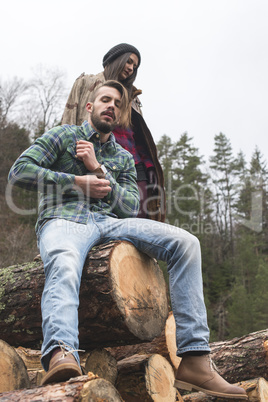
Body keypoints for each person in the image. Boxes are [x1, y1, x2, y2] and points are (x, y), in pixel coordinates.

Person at [8, 81, 247, 399]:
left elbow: (130, 206)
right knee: (64, 262)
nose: (111, 105)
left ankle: (195, 361)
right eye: (105, 99)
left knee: (186, 243)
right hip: (64, 221)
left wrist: (98, 168)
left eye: (117, 104)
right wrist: (76, 181)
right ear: (90, 107)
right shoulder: (63, 136)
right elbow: (19, 171)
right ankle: (61, 352)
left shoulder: (121, 156)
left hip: (109, 225)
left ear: (120, 115)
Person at [61, 43, 165, 221]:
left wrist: (150, 170)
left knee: (139, 226)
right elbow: (69, 120)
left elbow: (139, 140)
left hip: (133, 169)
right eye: (129, 61)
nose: (132, 68)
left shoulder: (133, 99)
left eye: (135, 66)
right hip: (97, 162)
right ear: (115, 59)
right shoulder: (86, 83)